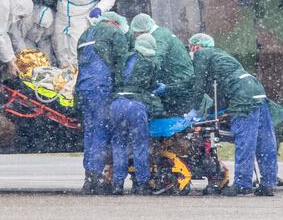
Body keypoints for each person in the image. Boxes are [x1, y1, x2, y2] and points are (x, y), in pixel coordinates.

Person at [186, 33, 277, 196]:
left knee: (245, 141)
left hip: (243, 97)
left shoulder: (201, 54)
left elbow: (199, 85)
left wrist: (194, 109)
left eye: (191, 48)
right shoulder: (221, 54)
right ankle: (268, 184)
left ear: (195, 46)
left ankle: (243, 185)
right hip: (257, 91)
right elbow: (221, 88)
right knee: (264, 141)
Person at [75, 11, 128, 194]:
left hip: (83, 88)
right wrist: (123, 88)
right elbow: (123, 62)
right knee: (101, 131)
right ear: (115, 22)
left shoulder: (84, 34)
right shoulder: (114, 32)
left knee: (90, 132)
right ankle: (96, 176)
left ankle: (89, 176)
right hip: (101, 87)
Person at [110, 33, 163, 195]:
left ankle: (117, 184)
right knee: (139, 145)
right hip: (135, 105)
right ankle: (142, 183)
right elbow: (151, 85)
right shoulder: (150, 62)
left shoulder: (124, 58)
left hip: (116, 104)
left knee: (119, 145)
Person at [130, 13, 194, 116]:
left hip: (179, 87)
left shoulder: (158, 38)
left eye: (137, 33)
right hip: (179, 84)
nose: (136, 37)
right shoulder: (162, 33)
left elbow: (154, 62)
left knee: (176, 120)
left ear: (144, 30)